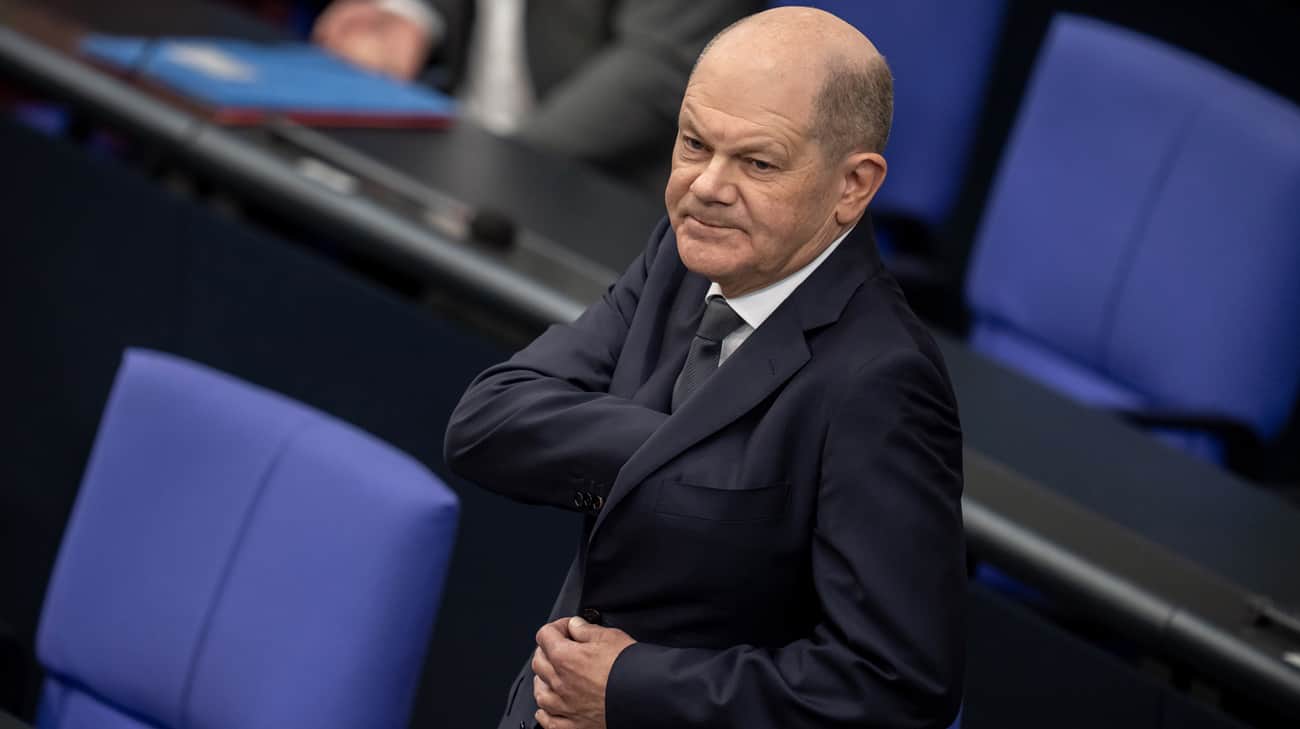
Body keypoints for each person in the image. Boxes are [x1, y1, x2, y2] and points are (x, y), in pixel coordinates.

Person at [444, 7, 966, 728]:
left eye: (758, 163)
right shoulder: (685, 255)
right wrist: (704, 463)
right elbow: (488, 420)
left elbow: (893, 683)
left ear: (853, 185)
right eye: (694, 143)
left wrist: (630, 686)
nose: (707, 185)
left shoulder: (884, 382)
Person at [311, 0, 760, 192]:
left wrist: (483, 168)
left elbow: (657, 67)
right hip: (453, 153)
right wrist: (409, 13)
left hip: (595, 210)